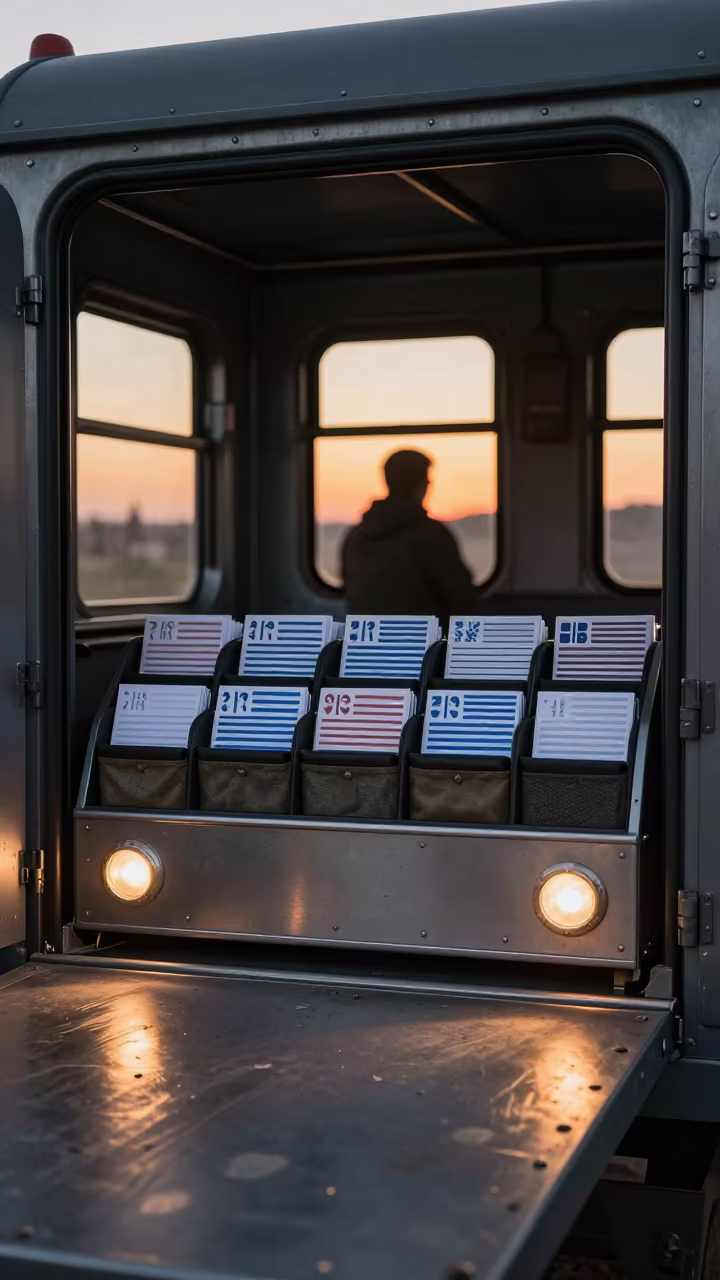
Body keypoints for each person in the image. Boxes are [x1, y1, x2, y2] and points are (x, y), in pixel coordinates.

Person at [341, 448, 477, 619]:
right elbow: (461, 597)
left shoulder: (356, 537)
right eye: (427, 481)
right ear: (420, 486)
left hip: (368, 640)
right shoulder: (430, 536)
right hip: (424, 640)